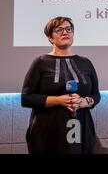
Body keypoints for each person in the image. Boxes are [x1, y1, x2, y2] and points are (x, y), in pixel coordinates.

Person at [21, 17, 100, 154]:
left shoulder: (85, 62)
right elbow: (26, 98)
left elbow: (96, 94)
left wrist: (85, 102)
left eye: (69, 29)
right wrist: (58, 100)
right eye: (59, 30)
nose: (65, 32)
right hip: (47, 127)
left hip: (80, 125)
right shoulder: (40, 62)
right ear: (50, 38)